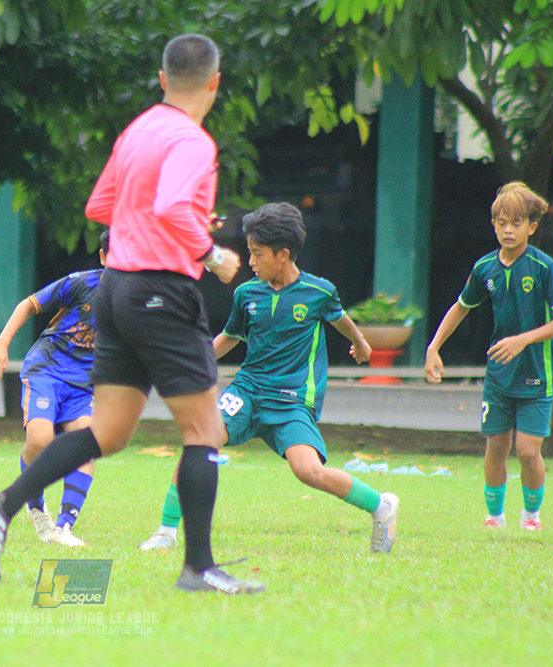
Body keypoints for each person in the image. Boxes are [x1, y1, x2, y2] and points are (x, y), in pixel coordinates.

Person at [0, 34, 264, 594]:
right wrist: (214, 253)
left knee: (109, 432)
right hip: (162, 290)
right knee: (206, 430)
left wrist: (153, 224)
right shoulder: (193, 141)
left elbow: (100, 207)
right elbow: (174, 207)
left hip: (117, 290)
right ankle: (199, 568)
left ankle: (1, 508)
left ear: (161, 78)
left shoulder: (138, 130)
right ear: (215, 83)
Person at [139, 202, 401, 553]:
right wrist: (188, 364)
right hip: (248, 390)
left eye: (257, 253)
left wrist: (360, 343)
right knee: (200, 440)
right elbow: (230, 338)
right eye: (249, 252)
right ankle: (167, 532)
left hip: (291, 399)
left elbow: (340, 319)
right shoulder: (247, 294)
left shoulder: (319, 292)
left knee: (308, 472)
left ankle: (382, 506)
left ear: (283, 255)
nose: (250, 261)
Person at [425, 182, 553, 530]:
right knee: (496, 445)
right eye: (502, 222)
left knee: (526, 451)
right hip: (499, 374)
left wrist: (523, 339)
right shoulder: (484, 269)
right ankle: (494, 517)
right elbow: (461, 307)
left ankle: (531, 516)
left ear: (531, 228)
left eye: (517, 223)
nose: (508, 229)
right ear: (493, 224)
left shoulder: (544, 267)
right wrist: (433, 347)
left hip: (538, 371)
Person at [0, 232, 108, 547]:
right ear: (104, 257)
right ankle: (37, 508)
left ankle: (64, 526)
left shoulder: (137, 300)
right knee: (40, 440)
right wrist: (2, 342)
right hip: (47, 369)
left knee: (87, 440)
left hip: (85, 382)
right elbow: (29, 304)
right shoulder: (81, 283)